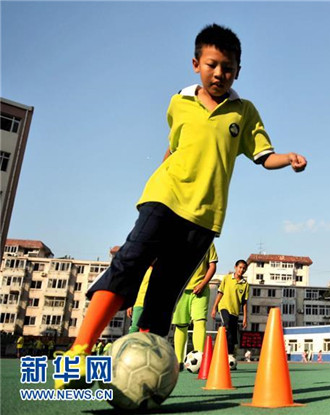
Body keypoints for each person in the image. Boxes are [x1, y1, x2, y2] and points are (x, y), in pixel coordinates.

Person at [54, 23, 307, 390]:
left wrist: (288, 158)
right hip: (163, 198)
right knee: (128, 265)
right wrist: (154, 183)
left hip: (205, 217)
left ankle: (139, 376)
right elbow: (174, 148)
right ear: (196, 64)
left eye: (228, 68)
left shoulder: (243, 112)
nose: (219, 73)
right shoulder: (179, 102)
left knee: (165, 290)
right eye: (212, 64)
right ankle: (80, 350)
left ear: (238, 71)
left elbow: (263, 155)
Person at [172, 243, 218, 365]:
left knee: (200, 322)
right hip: (180, 291)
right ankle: (178, 362)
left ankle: (200, 360)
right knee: (181, 325)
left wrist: (202, 285)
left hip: (200, 290)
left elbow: (212, 266)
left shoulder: (208, 242)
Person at [210, 259, 249, 367]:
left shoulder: (245, 284)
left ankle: (230, 357)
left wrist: (245, 318)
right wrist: (214, 307)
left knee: (232, 335)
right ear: (235, 267)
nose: (241, 270)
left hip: (235, 312)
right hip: (224, 307)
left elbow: (244, 302)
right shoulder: (227, 278)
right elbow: (220, 293)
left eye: (244, 268)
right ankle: (219, 348)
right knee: (226, 325)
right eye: (240, 267)